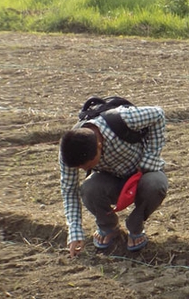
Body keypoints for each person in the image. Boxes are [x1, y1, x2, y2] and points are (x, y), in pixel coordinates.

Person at [58, 105, 168, 257]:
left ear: (99, 146)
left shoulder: (124, 118)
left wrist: (150, 159)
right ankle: (108, 226)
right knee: (88, 189)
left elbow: (158, 114)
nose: (83, 170)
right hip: (110, 180)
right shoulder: (70, 150)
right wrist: (75, 232)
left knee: (156, 185)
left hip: (142, 174)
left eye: (88, 166)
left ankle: (135, 226)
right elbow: (69, 191)